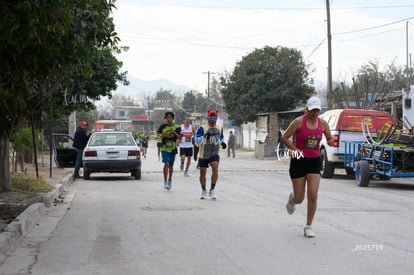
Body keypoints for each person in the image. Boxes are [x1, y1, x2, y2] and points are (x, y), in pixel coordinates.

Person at [281, 96, 334, 238]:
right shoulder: (298, 122)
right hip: (299, 161)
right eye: (312, 110)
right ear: (307, 109)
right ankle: (293, 199)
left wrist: (331, 141)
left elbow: (329, 138)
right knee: (300, 199)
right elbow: (284, 137)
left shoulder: (322, 124)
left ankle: (308, 226)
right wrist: (293, 149)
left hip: (314, 161)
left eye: (317, 110)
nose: (315, 113)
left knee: (313, 193)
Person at [195, 110, 226, 199]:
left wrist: (223, 143)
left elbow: (221, 137)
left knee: (215, 169)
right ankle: (204, 189)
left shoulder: (219, 128)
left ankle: (212, 190)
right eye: (211, 118)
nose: (213, 121)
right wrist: (204, 137)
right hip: (203, 154)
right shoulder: (202, 128)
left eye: (214, 118)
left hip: (214, 153)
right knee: (202, 173)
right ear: (208, 118)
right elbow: (196, 140)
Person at [157, 111, 182, 190]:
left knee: (171, 166)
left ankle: (170, 180)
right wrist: (163, 135)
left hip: (173, 148)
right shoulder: (162, 127)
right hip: (164, 148)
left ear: (173, 118)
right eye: (167, 117)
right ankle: (165, 181)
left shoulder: (177, 127)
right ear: (165, 118)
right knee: (166, 163)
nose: (168, 119)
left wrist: (173, 132)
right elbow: (157, 136)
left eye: (170, 117)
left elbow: (180, 137)